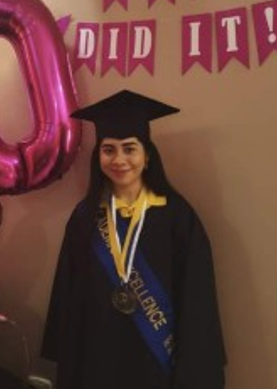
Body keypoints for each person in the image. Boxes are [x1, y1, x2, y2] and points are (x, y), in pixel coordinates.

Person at [41, 90, 226, 388]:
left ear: (147, 155)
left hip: (156, 359)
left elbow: (196, 298)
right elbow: (68, 291)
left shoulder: (177, 216)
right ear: (98, 156)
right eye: (108, 150)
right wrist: (67, 353)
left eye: (130, 149)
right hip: (97, 354)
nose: (119, 159)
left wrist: (194, 367)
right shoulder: (85, 217)